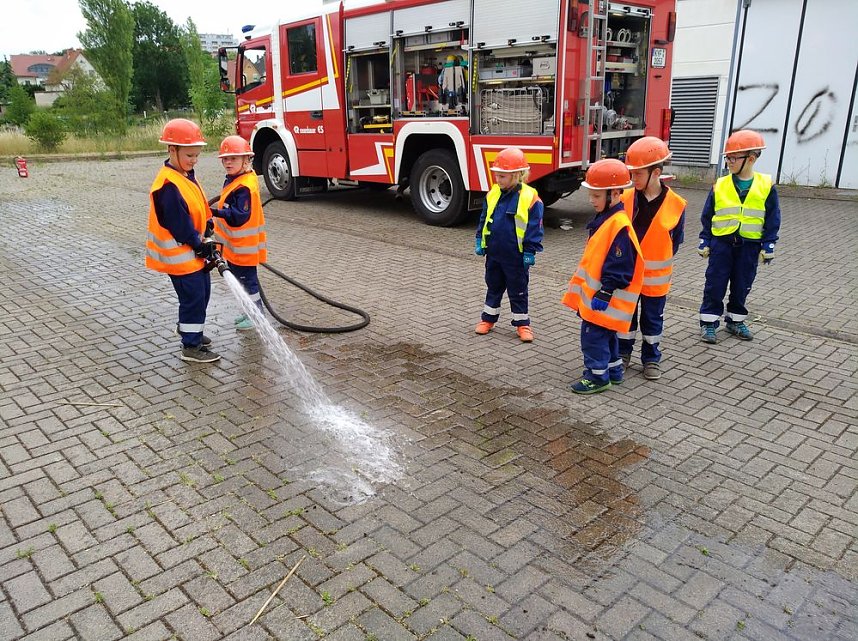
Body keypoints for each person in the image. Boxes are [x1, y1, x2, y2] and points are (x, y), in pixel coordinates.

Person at [562, 159, 643, 394]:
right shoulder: (608, 219)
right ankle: (614, 371)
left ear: (615, 193)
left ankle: (597, 377)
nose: (591, 200)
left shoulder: (618, 225)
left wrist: (606, 291)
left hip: (603, 297)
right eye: (591, 195)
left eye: (596, 196)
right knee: (607, 334)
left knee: (593, 336)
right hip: (602, 296)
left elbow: (620, 265)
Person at [145, 118, 220, 363]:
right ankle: (191, 346)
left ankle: (191, 329)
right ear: (172, 150)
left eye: (197, 155)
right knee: (193, 298)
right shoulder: (168, 185)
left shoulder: (185, 175)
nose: (194, 160)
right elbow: (179, 225)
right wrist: (199, 244)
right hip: (180, 256)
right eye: (189, 155)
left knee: (202, 293)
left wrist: (208, 227)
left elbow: (197, 206)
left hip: (192, 254)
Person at [698, 129, 780, 343]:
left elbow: (772, 218)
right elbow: (708, 215)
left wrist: (769, 244)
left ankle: (735, 320)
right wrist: (705, 240)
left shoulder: (766, 186)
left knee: (742, 284)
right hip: (721, 244)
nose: (729, 162)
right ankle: (708, 323)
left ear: (751, 158)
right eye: (727, 158)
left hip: (749, 246)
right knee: (715, 284)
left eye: (733, 158)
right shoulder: (721, 185)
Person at [619, 137, 686, 380]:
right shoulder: (625, 198)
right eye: (631, 173)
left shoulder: (676, 204)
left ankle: (651, 359)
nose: (633, 178)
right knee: (625, 318)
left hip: (655, 279)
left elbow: (675, 241)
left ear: (656, 172)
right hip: (627, 275)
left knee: (652, 321)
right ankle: (622, 353)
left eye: (637, 174)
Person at [474, 147, 544, 342]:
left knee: (518, 290)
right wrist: (480, 239)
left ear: (517, 175)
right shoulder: (493, 194)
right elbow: (484, 218)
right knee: (493, 287)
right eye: (497, 175)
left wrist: (530, 251)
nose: (498, 179)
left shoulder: (530, 196)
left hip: (516, 256)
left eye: (502, 176)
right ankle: (488, 319)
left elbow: (535, 226)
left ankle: (523, 324)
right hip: (494, 253)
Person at [210, 135, 267, 331]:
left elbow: (239, 216)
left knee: (248, 283)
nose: (228, 162)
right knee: (242, 283)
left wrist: (215, 212)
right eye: (225, 159)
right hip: (235, 247)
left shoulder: (244, 187)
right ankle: (249, 312)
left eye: (233, 158)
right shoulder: (236, 179)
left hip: (244, 248)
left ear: (246, 159)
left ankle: (256, 316)